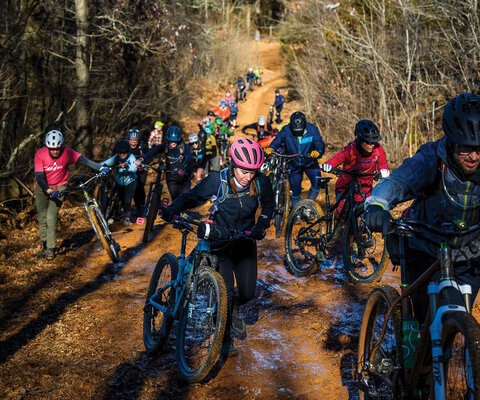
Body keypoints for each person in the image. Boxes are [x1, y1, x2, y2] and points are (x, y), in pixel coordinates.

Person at [363, 92, 480, 325]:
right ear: (452, 140)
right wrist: (376, 204)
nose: (474, 156)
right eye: (466, 148)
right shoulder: (431, 159)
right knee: (427, 320)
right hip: (426, 251)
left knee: (459, 321)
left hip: (471, 253)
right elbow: (398, 182)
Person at [161, 137, 275, 357]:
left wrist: (262, 224)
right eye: (244, 171)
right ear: (233, 166)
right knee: (224, 292)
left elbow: (269, 205)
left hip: (244, 241)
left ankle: (230, 312)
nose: (247, 177)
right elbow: (192, 197)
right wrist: (173, 208)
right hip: (219, 241)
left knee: (247, 293)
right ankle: (224, 337)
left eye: (252, 172)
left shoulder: (261, 182)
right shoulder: (218, 180)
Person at [34, 129, 110, 260]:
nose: (55, 151)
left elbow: (84, 160)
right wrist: (47, 190)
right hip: (42, 187)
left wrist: (100, 167)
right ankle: (45, 245)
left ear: (61, 146)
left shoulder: (67, 152)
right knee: (42, 217)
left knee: (51, 217)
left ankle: (51, 250)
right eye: (52, 149)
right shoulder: (40, 154)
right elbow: (39, 177)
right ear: (47, 147)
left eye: (57, 148)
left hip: (60, 186)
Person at [322, 120, 390, 218]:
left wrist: (384, 171)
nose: (372, 145)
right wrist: (328, 165)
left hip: (365, 190)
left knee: (366, 215)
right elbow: (337, 158)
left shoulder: (378, 149)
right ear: (360, 140)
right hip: (345, 188)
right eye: (369, 142)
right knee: (342, 215)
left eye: (374, 141)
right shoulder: (351, 150)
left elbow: (383, 164)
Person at [265, 111, 326, 207]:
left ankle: (308, 205)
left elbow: (319, 143)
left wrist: (318, 151)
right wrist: (271, 148)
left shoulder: (312, 130)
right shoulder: (286, 130)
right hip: (293, 164)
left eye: (300, 131)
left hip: (310, 162)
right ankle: (296, 212)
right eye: (296, 131)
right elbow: (277, 140)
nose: (298, 133)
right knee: (295, 190)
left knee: (317, 182)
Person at [138, 125, 193, 201]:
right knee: (175, 198)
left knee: (183, 198)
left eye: (175, 141)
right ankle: (175, 212)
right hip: (171, 176)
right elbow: (154, 151)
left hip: (184, 176)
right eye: (171, 141)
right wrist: (142, 158)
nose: (173, 143)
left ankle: (183, 211)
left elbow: (189, 157)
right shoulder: (165, 146)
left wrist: (183, 169)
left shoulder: (183, 146)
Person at [101, 139, 138, 226]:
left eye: (124, 153)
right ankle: (115, 214)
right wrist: (98, 167)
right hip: (119, 181)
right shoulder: (115, 157)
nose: (122, 155)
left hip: (130, 181)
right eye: (120, 153)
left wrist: (127, 166)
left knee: (127, 200)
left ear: (127, 152)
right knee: (118, 198)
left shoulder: (131, 157)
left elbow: (134, 168)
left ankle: (127, 217)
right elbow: (105, 163)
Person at [127, 128, 149, 223]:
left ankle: (141, 206)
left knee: (139, 187)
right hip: (129, 169)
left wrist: (143, 165)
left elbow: (148, 157)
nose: (133, 143)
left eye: (135, 141)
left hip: (141, 170)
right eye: (131, 141)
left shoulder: (143, 146)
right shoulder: (125, 146)